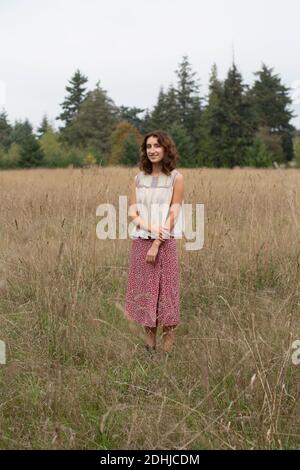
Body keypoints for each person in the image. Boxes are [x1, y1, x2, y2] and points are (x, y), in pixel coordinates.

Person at [124, 130, 184, 356]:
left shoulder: (176, 178)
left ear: (166, 149)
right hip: (141, 242)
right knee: (146, 295)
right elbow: (133, 212)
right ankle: (149, 350)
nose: (152, 150)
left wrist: (157, 242)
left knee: (166, 295)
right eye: (148, 146)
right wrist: (149, 229)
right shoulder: (139, 178)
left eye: (157, 146)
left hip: (165, 243)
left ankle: (167, 355)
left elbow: (174, 212)